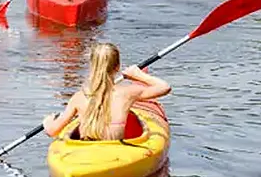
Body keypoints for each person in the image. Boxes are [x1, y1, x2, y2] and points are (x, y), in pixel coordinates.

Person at [42, 43, 171, 141]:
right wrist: (138, 75)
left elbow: (52, 131)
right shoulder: (127, 93)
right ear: (117, 67)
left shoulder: (79, 97)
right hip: (114, 150)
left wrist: (48, 122)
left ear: (92, 66)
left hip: (86, 152)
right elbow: (164, 87)